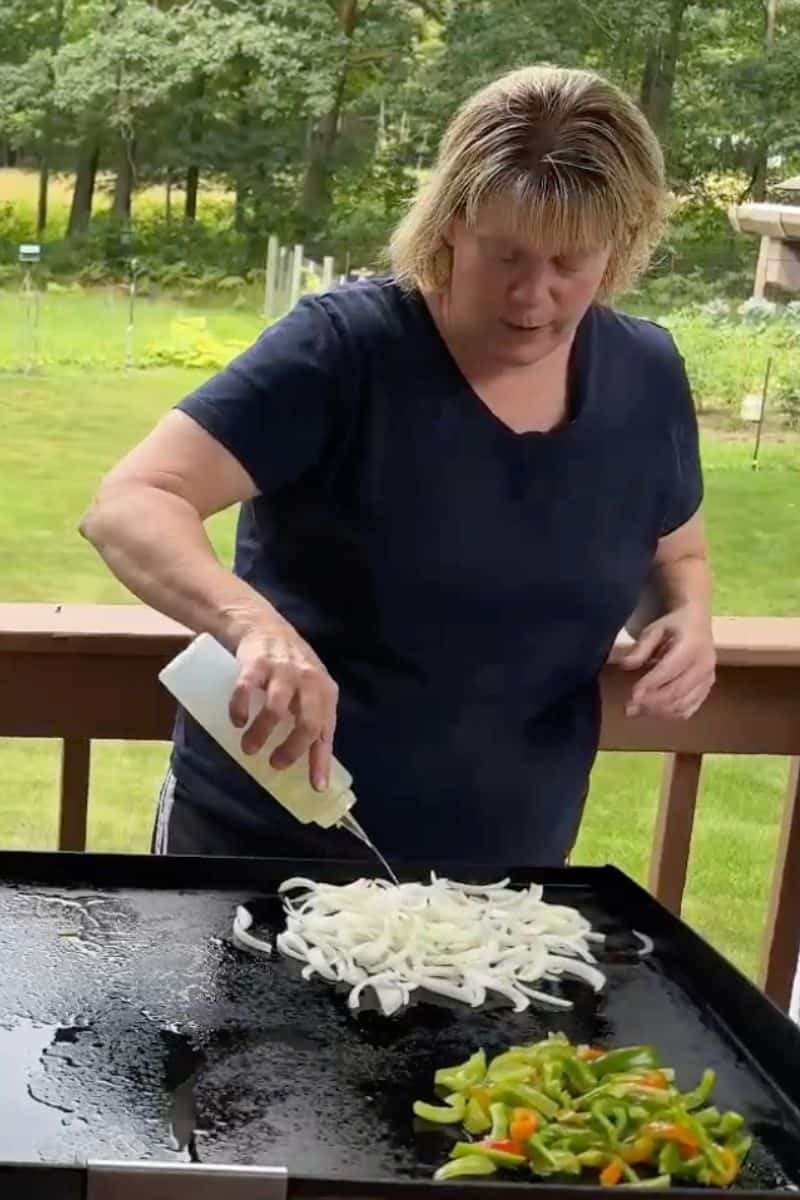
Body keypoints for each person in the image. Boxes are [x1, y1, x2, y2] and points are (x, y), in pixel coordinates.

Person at [81, 65, 715, 865]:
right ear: (450, 223)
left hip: (509, 871)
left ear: (620, 246)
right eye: (506, 255)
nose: (533, 294)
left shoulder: (645, 376)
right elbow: (132, 501)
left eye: (569, 262)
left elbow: (676, 553)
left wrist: (687, 619)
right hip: (262, 844)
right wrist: (254, 628)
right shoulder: (345, 351)